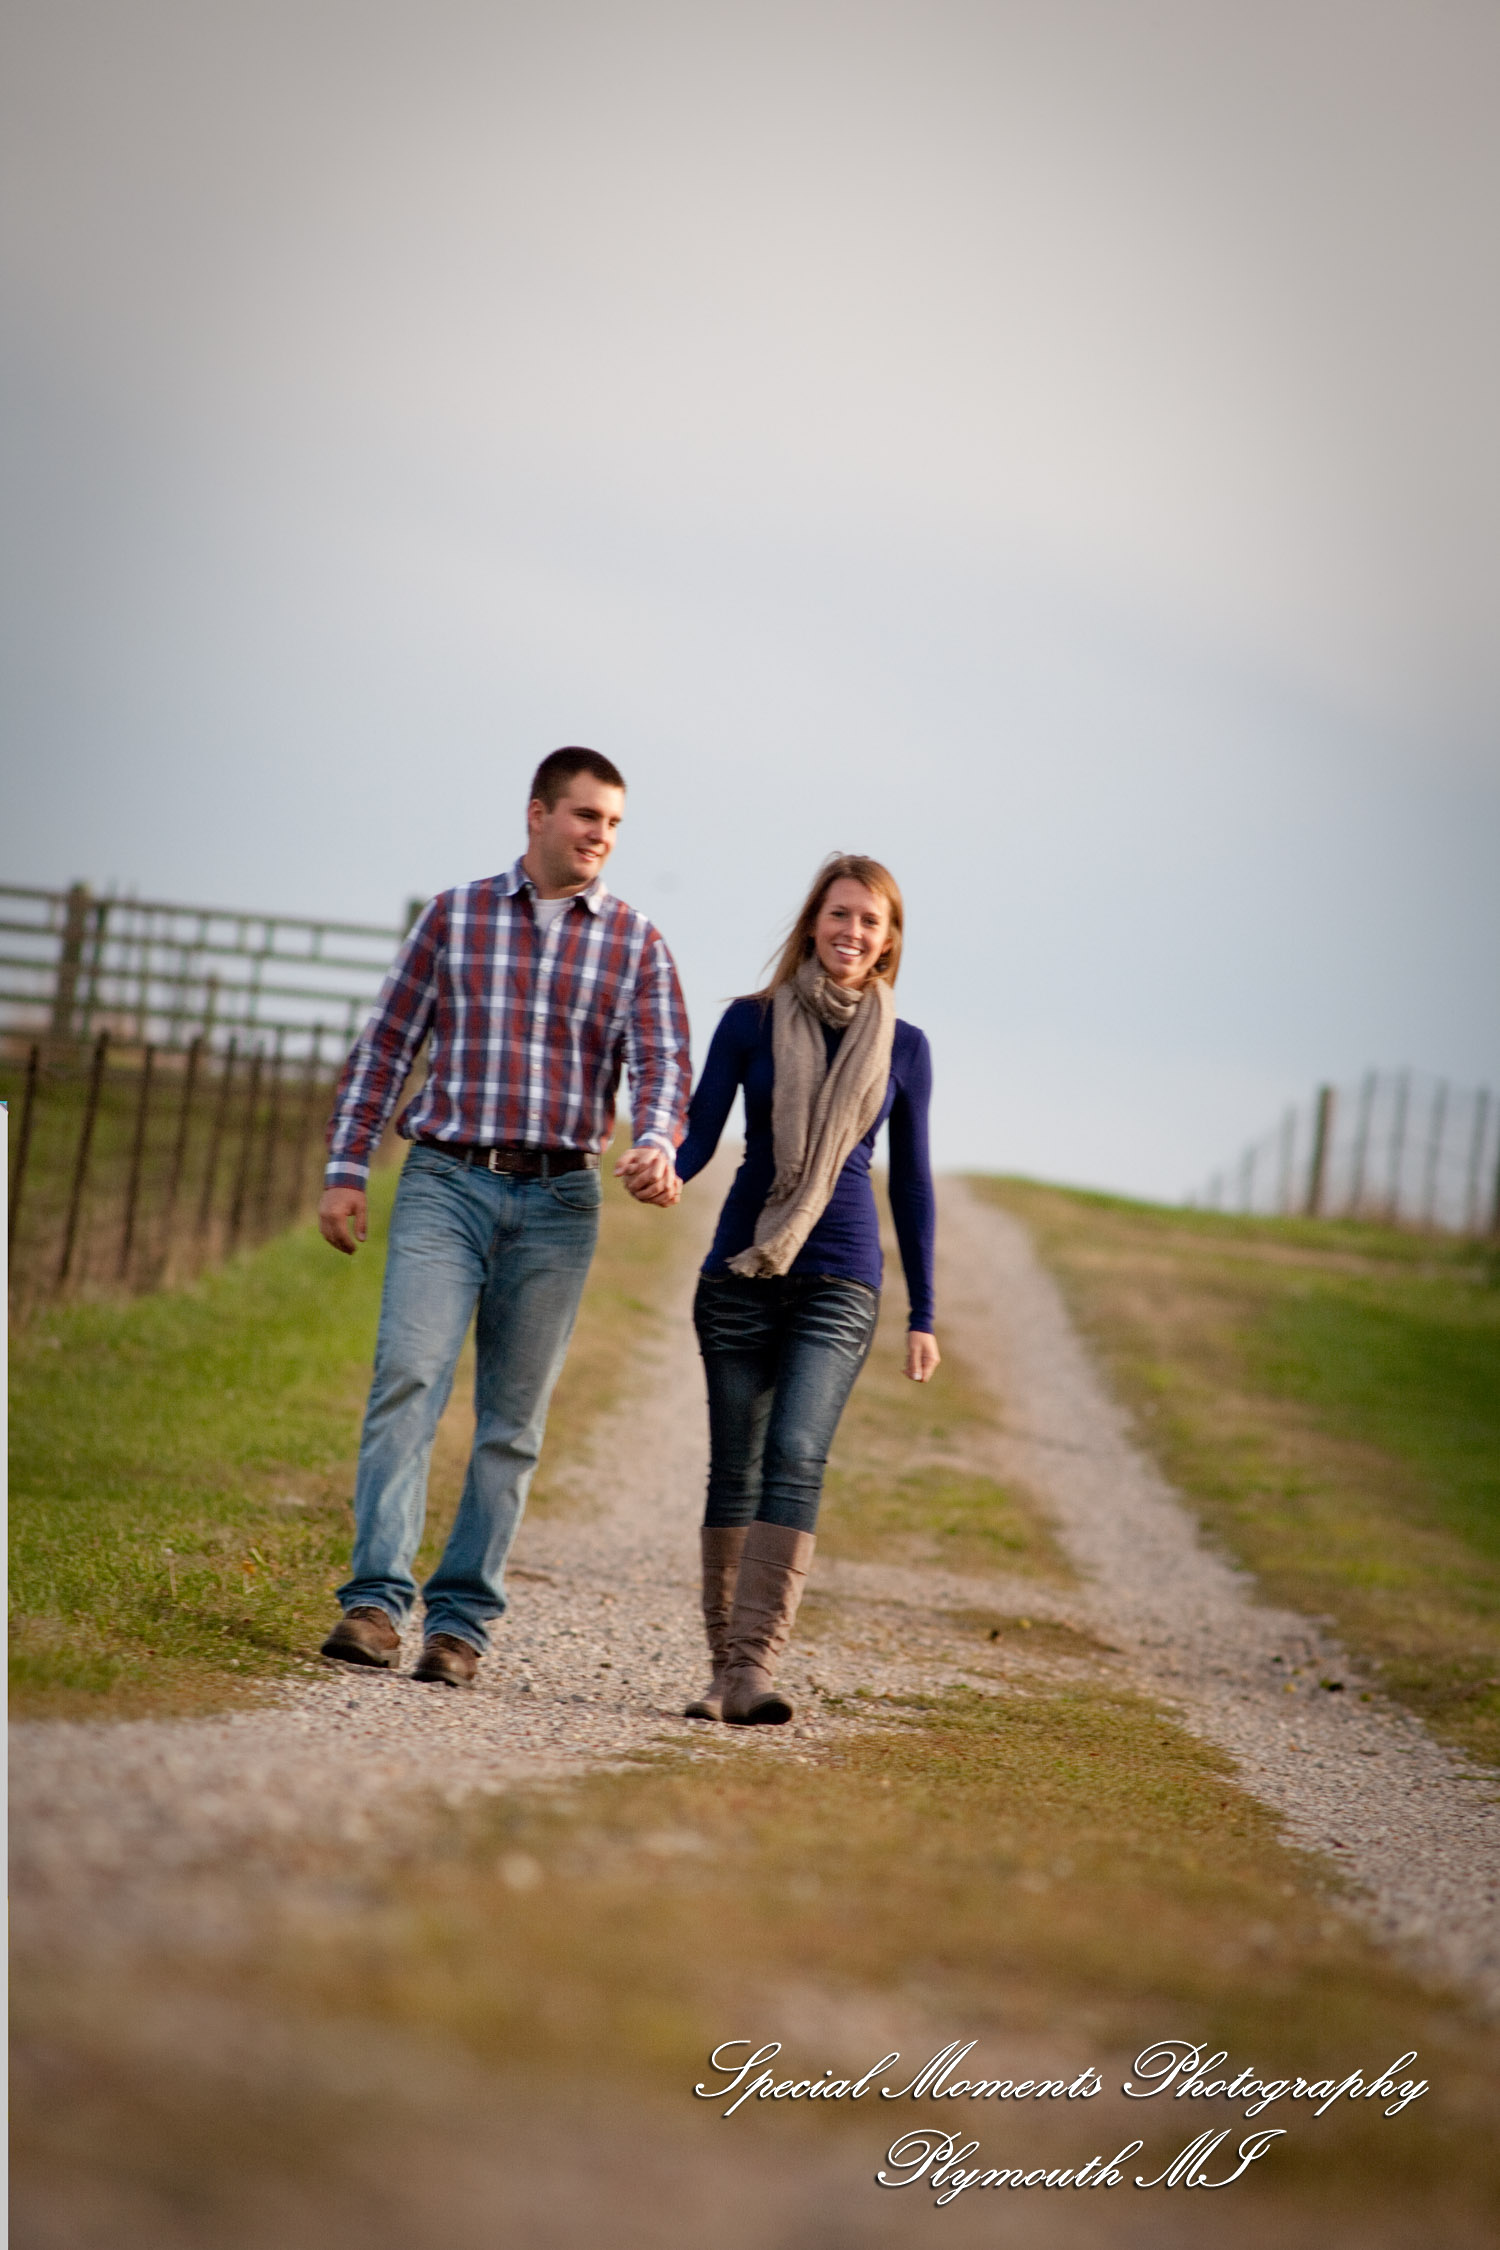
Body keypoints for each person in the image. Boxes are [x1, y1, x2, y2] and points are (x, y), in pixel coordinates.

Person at [316, 747, 689, 1686]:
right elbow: (386, 1045)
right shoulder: (456, 917)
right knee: (408, 1377)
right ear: (536, 814)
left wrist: (655, 1139)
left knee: (512, 1424)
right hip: (447, 1179)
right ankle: (372, 1603)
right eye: (585, 816)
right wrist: (348, 1165)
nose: (600, 835)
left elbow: (664, 1065)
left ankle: (460, 1627)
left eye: (613, 822)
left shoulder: (637, 942)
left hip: (560, 1200)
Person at [674, 853, 937, 1725]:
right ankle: (724, 1675)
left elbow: (912, 1184)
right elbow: (701, 1132)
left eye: (870, 920)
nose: (851, 932)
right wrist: (661, 1167)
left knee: (795, 1454)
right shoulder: (749, 1024)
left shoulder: (904, 1047)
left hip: (841, 1280)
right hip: (743, 1269)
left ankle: (752, 1668)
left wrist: (923, 1313)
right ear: (812, 922)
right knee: (735, 1467)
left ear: (890, 939)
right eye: (839, 915)